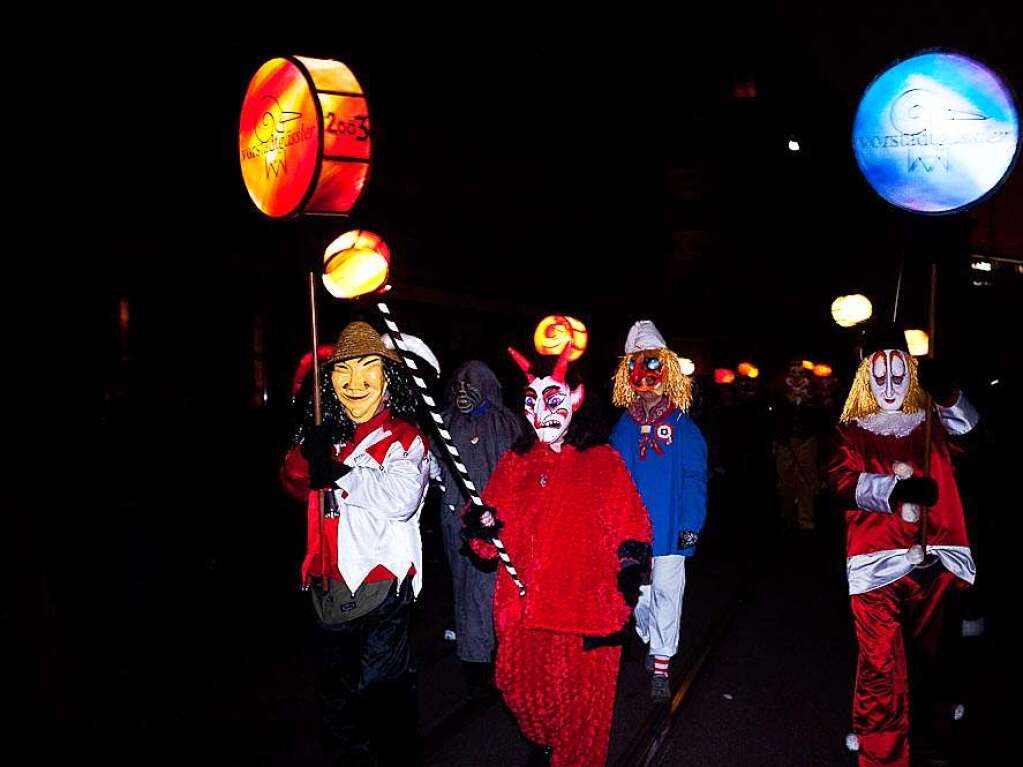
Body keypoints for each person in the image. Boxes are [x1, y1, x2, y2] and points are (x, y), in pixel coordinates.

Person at [464, 342, 652, 767]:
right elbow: (484, 539)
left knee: (583, 722)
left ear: (576, 400)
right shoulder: (515, 463)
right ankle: (550, 743)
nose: (539, 411)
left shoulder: (602, 462)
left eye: (552, 399)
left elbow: (632, 524)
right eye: (531, 400)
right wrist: (481, 526)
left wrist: (629, 566)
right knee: (523, 695)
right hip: (524, 613)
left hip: (588, 613)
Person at [280, 321, 431, 766]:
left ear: (389, 379)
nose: (355, 382)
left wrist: (342, 473)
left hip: (380, 588)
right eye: (343, 370)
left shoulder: (405, 437)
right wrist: (310, 452)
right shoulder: (330, 434)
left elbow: (399, 500)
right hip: (327, 590)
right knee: (337, 712)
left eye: (368, 368)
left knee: (382, 705)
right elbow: (291, 480)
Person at [829, 324, 978, 767]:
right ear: (864, 377)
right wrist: (894, 492)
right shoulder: (851, 429)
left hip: (938, 558)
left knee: (934, 656)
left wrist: (948, 392)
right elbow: (841, 481)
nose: (891, 385)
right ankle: (881, 753)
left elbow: (970, 434)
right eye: (881, 376)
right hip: (876, 564)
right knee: (879, 663)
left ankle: (933, 737)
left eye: (900, 375)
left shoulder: (930, 417)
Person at [608, 320, 708, 702]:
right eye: (638, 371)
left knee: (668, 594)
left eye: (653, 370)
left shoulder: (683, 426)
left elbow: (695, 479)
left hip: (670, 532)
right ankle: (651, 640)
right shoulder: (623, 427)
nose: (646, 384)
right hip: (634, 533)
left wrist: (690, 525)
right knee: (642, 598)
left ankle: (662, 663)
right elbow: (612, 477)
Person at [434, 360, 523, 695]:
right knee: (463, 586)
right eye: (457, 388)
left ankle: (482, 657)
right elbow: (434, 463)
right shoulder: (446, 422)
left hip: (492, 521)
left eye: (469, 389)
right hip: (455, 517)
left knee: (485, 590)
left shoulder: (504, 423)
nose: (462, 395)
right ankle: (475, 651)